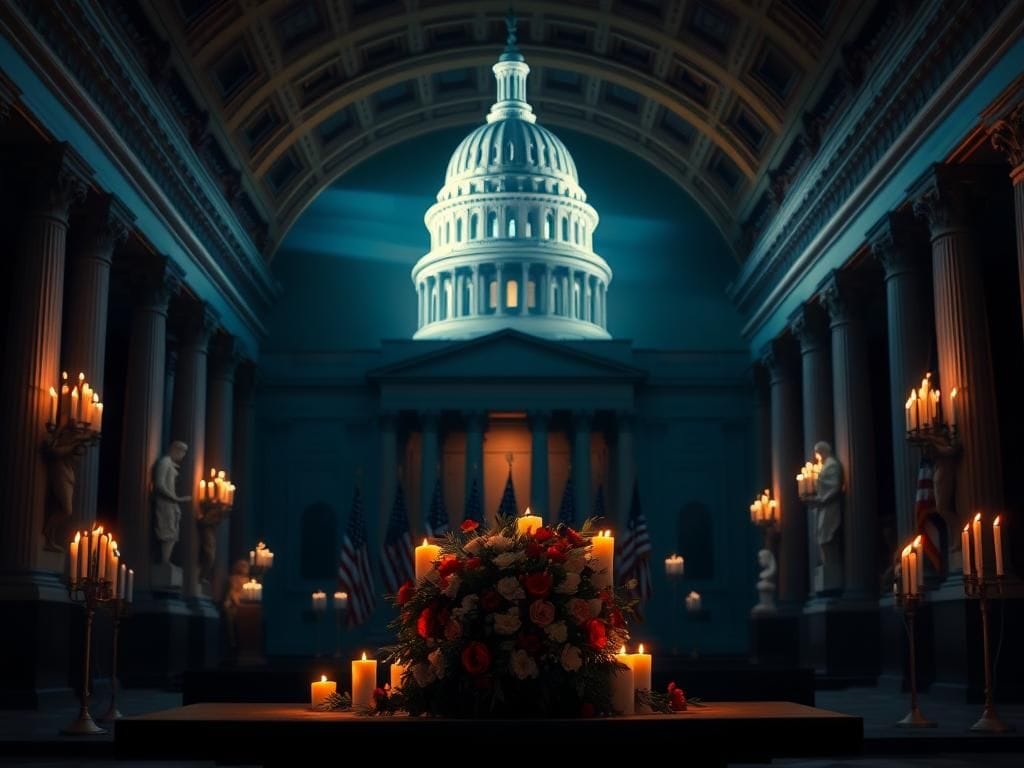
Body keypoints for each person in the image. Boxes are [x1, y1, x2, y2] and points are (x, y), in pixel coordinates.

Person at [153, 441, 190, 564]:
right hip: (166, 502)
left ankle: (166, 560)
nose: (182, 456)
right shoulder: (165, 462)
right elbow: (160, 484)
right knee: (168, 530)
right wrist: (176, 499)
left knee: (173, 531)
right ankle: (165, 560)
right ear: (175, 450)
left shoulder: (171, 464)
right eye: (182, 452)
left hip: (171, 502)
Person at [811, 441, 843, 567]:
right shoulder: (824, 465)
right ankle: (826, 563)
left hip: (829, 504)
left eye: (818, 453)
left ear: (824, 451)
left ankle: (830, 563)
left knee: (826, 533)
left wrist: (823, 499)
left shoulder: (832, 465)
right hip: (823, 505)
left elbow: (834, 486)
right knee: (820, 533)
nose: (817, 456)